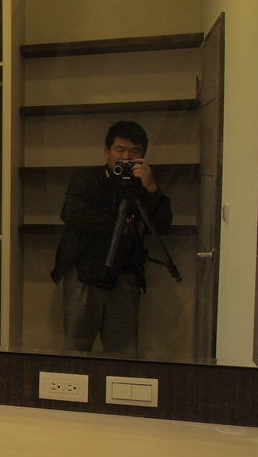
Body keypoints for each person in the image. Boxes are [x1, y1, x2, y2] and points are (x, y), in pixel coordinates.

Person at [50, 120, 172, 355]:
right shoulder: (87, 179)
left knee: (123, 350)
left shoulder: (143, 184)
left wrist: (150, 187)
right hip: (84, 271)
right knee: (76, 348)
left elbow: (163, 224)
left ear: (143, 155)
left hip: (125, 273)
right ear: (107, 152)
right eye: (120, 150)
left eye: (134, 151)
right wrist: (119, 225)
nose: (126, 157)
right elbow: (72, 214)